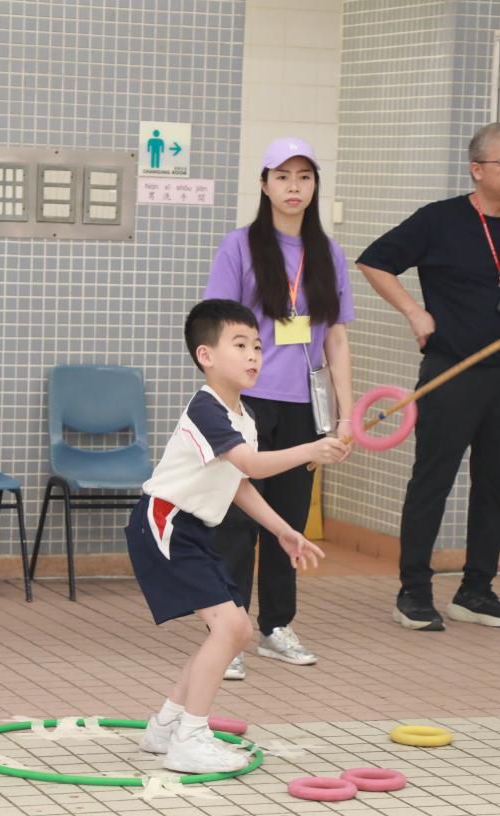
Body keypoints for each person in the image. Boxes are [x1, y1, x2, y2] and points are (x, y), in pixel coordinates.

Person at [356, 122, 500, 632]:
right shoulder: (439, 220)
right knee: (432, 482)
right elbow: (374, 262)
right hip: (450, 372)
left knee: (495, 485)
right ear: (477, 170)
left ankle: (476, 590)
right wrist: (415, 313)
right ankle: (413, 592)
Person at [127, 299, 349, 772]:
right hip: (165, 524)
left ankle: (166, 726)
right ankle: (189, 738)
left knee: (237, 629)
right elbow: (251, 465)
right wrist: (310, 448)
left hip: (191, 529)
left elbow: (240, 483)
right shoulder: (207, 409)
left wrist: (283, 530)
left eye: (258, 347)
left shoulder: (242, 416)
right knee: (231, 628)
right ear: (206, 356)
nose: (253, 356)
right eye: (241, 345)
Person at [204, 137, 355, 680]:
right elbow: (218, 327)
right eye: (283, 176)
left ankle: (276, 626)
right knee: (237, 518)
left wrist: (346, 412)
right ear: (264, 184)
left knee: (288, 520)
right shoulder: (240, 247)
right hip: (247, 402)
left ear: (315, 187)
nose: (294, 187)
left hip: (303, 407)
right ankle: (230, 633)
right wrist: (222, 400)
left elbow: (335, 337)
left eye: (305, 177)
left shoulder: (328, 254)